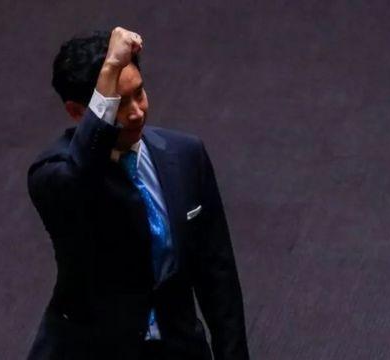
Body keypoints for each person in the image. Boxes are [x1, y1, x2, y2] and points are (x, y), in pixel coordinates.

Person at [26, 26, 250, 360]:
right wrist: (109, 72)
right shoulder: (54, 175)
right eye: (118, 103)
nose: (136, 113)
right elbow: (83, 174)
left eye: (139, 93)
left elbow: (217, 272)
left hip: (178, 347)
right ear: (77, 112)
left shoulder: (185, 155)